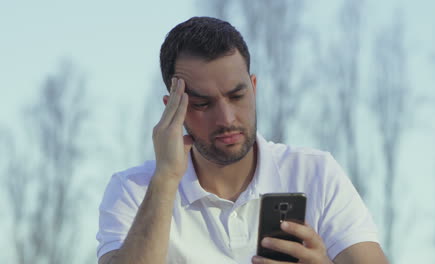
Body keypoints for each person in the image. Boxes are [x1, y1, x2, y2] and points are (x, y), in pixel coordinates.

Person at [96, 16, 388, 264]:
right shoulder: (134, 191)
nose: (226, 118)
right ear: (173, 108)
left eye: (237, 96)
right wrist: (165, 180)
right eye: (202, 104)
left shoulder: (316, 174)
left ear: (254, 87)